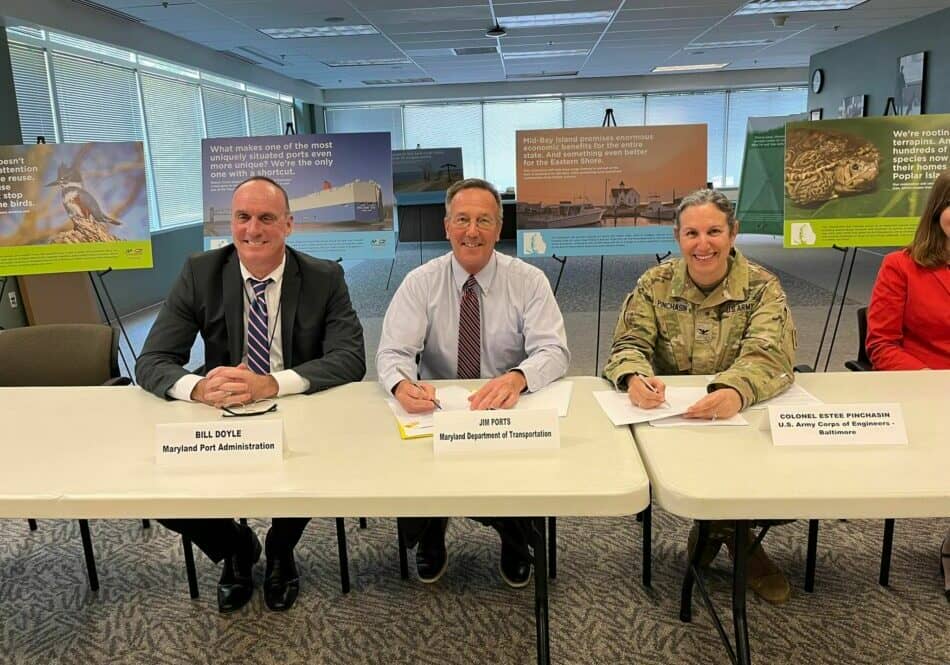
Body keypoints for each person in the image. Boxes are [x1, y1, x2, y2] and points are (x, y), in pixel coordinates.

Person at [136, 176, 365, 613]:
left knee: (316, 463)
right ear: (230, 222)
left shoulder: (324, 277)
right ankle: (237, 548)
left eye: (266, 218)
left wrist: (272, 383)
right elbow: (152, 360)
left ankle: (280, 549)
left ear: (289, 225)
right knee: (156, 485)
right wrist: (198, 387)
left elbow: (351, 358)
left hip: (295, 403)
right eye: (242, 217)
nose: (253, 230)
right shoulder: (200, 272)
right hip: (219, 408)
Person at [604, 188, 797, 604]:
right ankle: (737, 539)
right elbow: (628, 344)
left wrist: (736, 390)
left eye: (714, 231)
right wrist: (635, 378)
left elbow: (771, 353)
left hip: (741, 413)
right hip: (671, 419)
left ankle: (719, 532)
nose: (703, 244)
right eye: (691, 233)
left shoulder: (763, 287)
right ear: (677, 236)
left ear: (733, 233)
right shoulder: (653, 284)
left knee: (767, 467)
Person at [376, 177, 570, 588]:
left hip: (505, 407)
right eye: (462, 219)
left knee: (515, 470)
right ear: (446, 226)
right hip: (436, 410)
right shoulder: (420, 283)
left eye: (484, 220)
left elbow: (554, 351)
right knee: (409, 464)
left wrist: (519, 378)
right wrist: (401, 386)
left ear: (500, 229)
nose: (472, 231)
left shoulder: (529, 281)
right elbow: (392, 354)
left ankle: (515, 536)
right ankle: (430, 529)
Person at [865, 169, 950, 602]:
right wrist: (933, 383)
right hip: (923, 391)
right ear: (938, 211)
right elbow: (881, 344)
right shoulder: (901, 266)